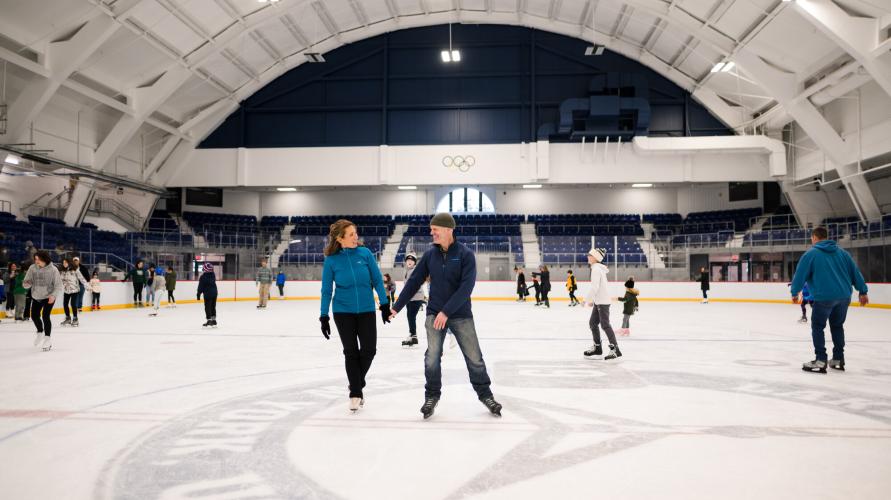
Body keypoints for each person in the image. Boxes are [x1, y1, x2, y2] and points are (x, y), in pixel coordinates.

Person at [390, 212, 502, 420]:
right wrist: (396, 307)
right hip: (434, 314)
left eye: (435, 230)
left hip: (460, 314)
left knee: (474, 358)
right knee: (432, 357)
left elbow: (466, 288)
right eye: (431, 229)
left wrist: (446, 312)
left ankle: (486, 395)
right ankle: (432, 396)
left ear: (449, 230)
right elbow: (414, 281)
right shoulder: (430, 255)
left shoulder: (465, 254)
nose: (431, 233)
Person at [319, 219, 391, 413]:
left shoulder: (365, 254)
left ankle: (355, 383)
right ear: (340, 238)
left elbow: (377, 280)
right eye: (351, 234)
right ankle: (356, 393)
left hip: (367, 309)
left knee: (369, 350)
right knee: (351, 352)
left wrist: (384, 305)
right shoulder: (332, 260)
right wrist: (323, 315)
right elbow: (326, 290)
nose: (355, 237)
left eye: (355, 233)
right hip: (343, 311)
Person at [791, 226, 868, 373]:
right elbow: (855, 272)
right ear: (826, 237)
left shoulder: (811, 254)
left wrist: (795, 292)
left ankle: (821, 360)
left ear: (814, 238)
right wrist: (862, 291)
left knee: (818, 326)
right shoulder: (843, 253)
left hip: (824, 297)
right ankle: (838, 359)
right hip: (844, 297)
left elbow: (800, 274)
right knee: (837, 326)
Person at [582, 248, 621, 360]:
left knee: (605, 325)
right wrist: (593, 301)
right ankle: (597, 347)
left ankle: (615, 349)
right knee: (593, 323)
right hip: (599, 301)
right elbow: (599, 288)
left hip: (602, 302)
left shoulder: (596, 269)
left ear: (595, 258)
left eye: (590, 255)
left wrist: (586, 300)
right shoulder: (597, 268)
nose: (588, 256)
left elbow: (595, 287)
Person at [22, 250, 63, 351]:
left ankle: (47, 339)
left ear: (44, 259)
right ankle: (40, 332)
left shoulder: (53, 270)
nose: (36, 261)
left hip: (49, 297)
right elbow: (26, 281)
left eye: (38, 259)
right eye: (35, 259)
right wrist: (26, 284)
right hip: (36, 296)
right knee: (34, 316)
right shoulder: (32, 268)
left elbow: (58, 285)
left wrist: (53, 296)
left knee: (45, 316)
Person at [400, 253, 426, 347]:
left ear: (415, 263)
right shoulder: (406, 271)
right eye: (408, 260)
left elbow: (417, 284)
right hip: (410, 298)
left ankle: (413, 336)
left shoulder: (415, 271)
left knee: (411, 316)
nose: (409, 262)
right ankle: (413, 335)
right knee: (410, 316)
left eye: (412, 260)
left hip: (416, 298)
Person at [60, 257, 88, 327]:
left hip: (74, 290)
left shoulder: (75, 270)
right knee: (65, 304)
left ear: (69, 263)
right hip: (67, 290)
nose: (64, 264)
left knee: (73, 304)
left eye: (65, 262)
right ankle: (68, 318)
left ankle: (75, 319)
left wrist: (87, 286)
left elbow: (81, 278)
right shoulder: (63, 271)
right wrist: (63, 284)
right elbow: (61, 280)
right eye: (63, 263)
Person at [197, 262, 218, 327]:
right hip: (214, 293)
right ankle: (214, 321)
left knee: (207, 307)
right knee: (213, 306)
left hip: (208, 294)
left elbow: (201, 286)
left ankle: (209, 320)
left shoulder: (203, 277)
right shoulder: (213, 275)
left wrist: (198, 294)